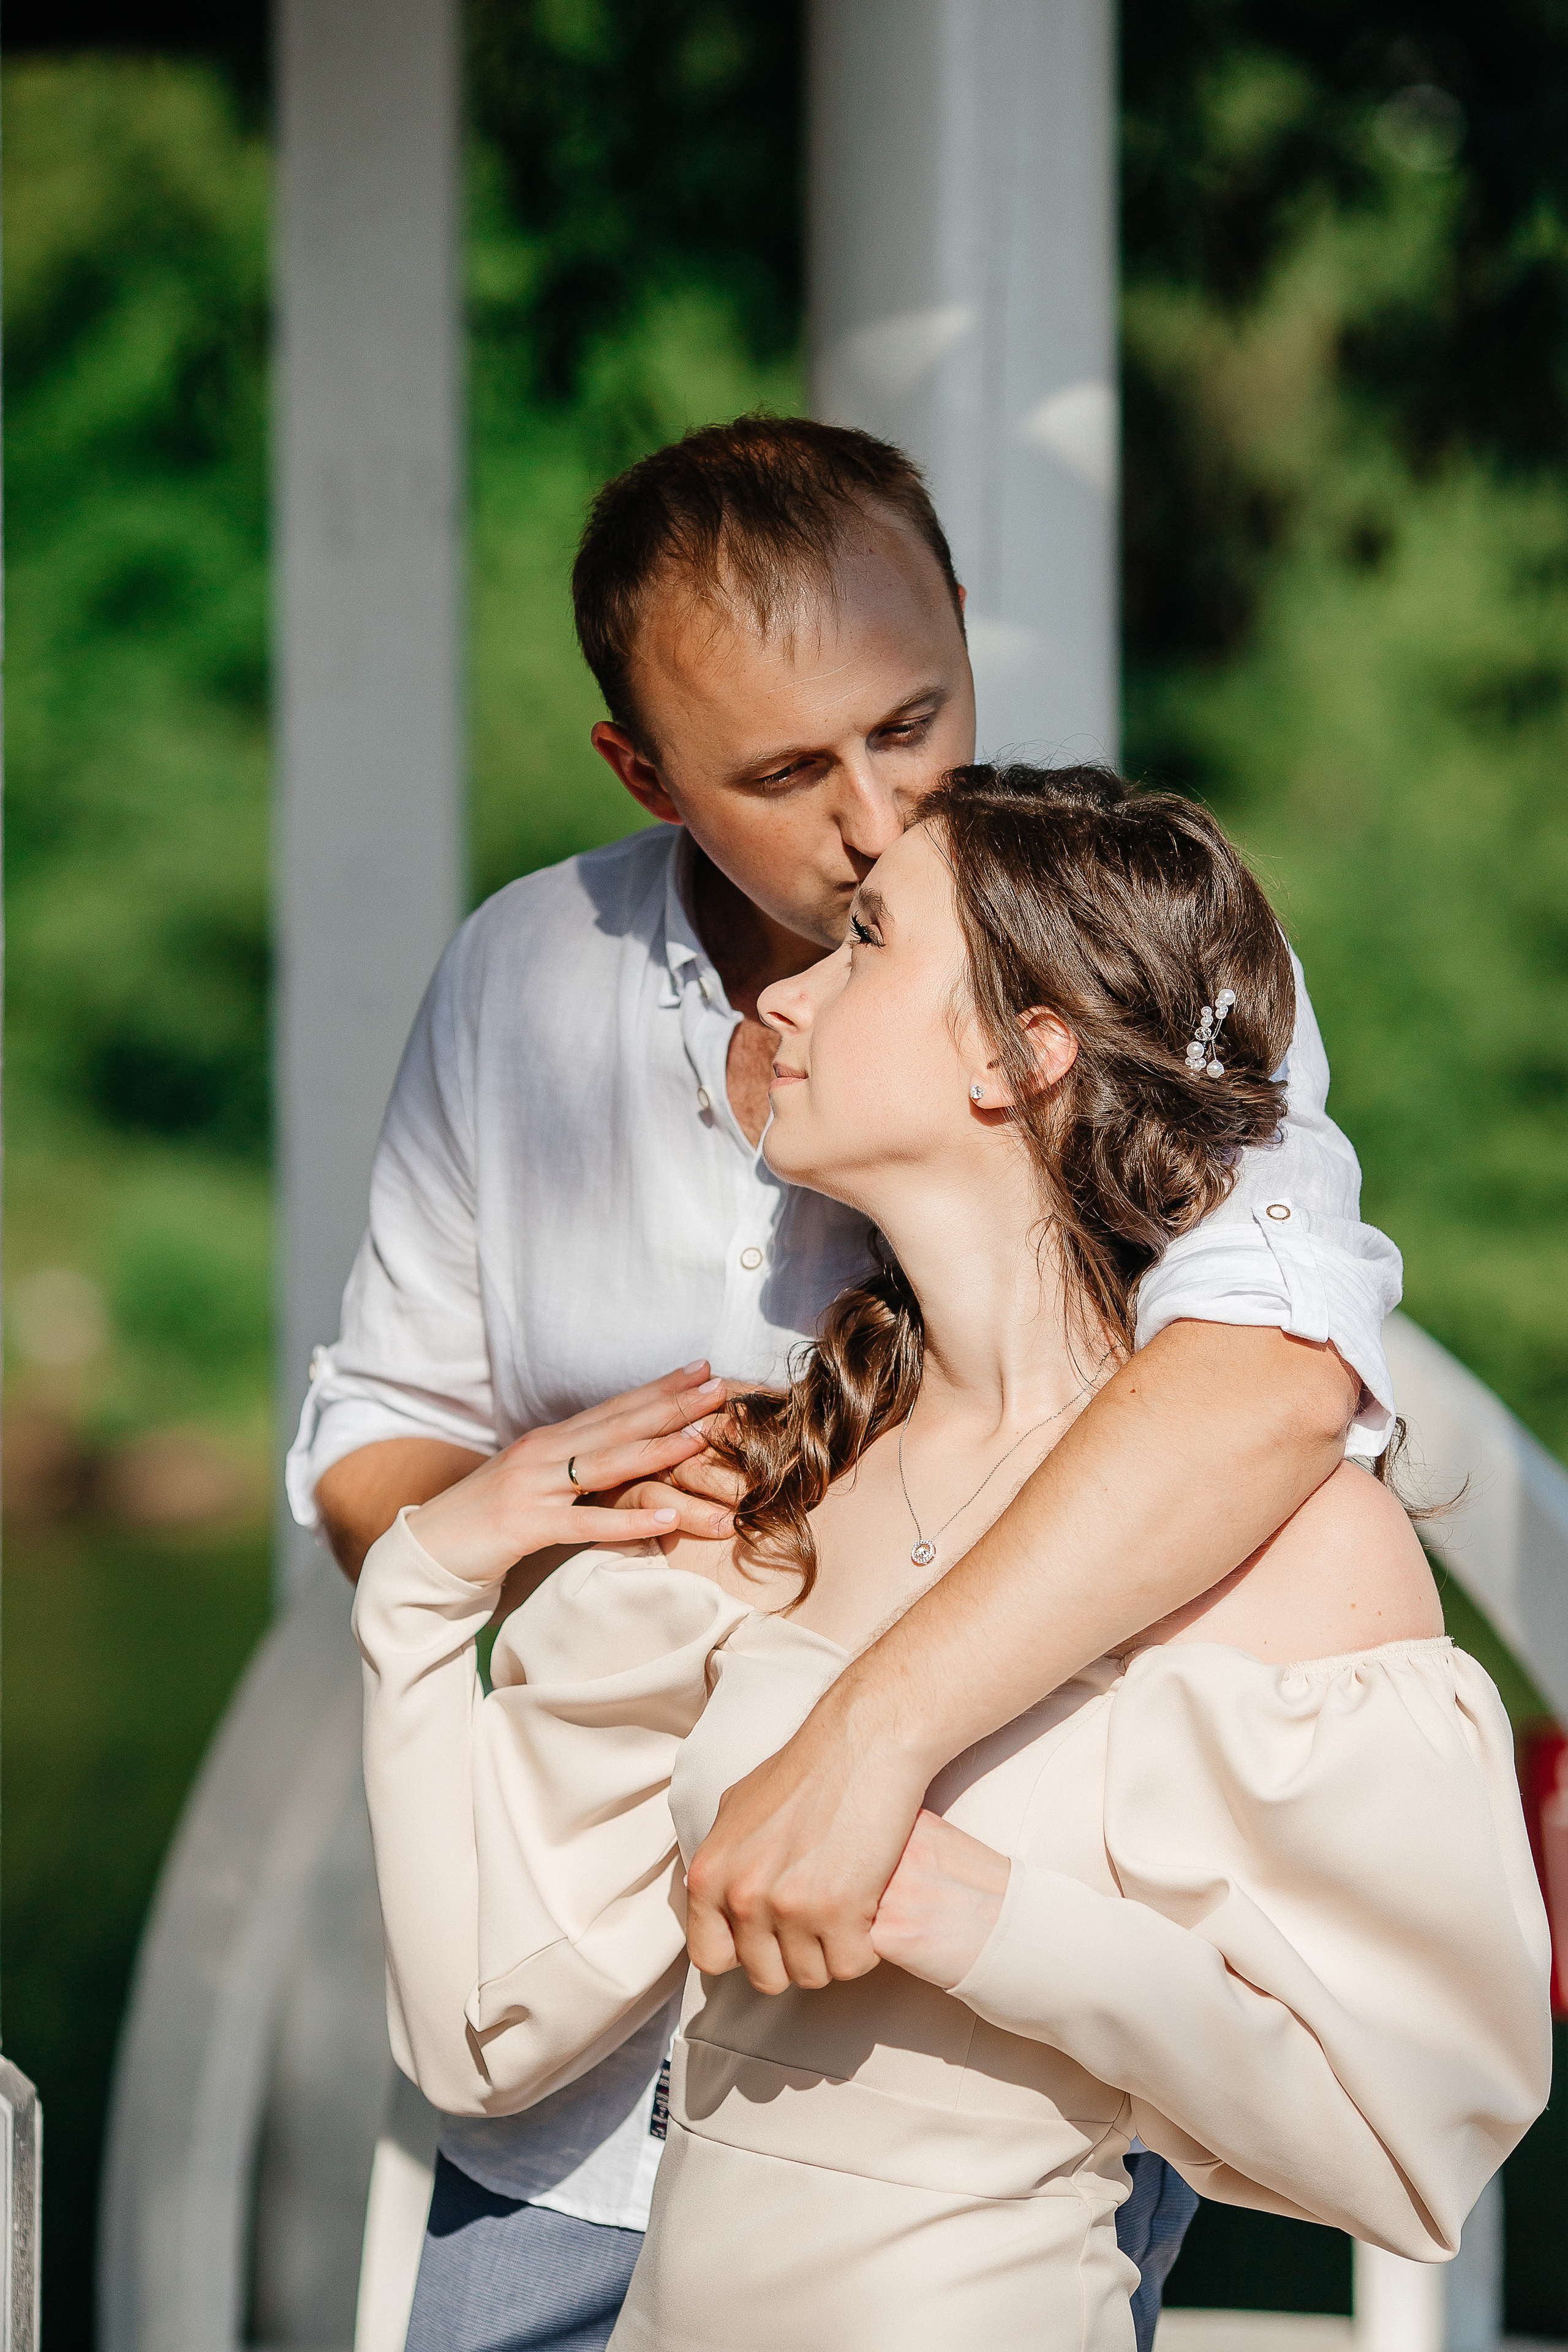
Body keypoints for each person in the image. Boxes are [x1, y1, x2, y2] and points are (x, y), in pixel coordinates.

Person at [289, 418, 1400, 2350]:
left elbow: (1276, 1377)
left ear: (961, 624)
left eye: (912, 722)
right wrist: (597, 1544)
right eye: (787, 774)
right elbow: (378, 1436)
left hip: (968, 2084)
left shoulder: (1136, 953)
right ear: (643, 771)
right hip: (571, 2043)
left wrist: (851, 1734)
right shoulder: (519, 975)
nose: (880, 818)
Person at [353, 765, 1551, 2352]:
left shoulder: (1293, 1545)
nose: (787, 993)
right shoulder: (783, 1490)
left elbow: (1406, 2138)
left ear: (1022, 1052)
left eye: (865, 942)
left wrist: (974, 1913)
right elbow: (484, 2029)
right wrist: (424, 1583)